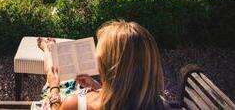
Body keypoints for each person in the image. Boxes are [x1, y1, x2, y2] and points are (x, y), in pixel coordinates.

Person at [35, 20, 169, 110]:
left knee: (53, 73)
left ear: (108, 67)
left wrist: (54, 89)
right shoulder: (161, 105)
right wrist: (97, 86)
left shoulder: (75, 104)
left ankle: (49, 50)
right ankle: (50, 49)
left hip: (62, 97)